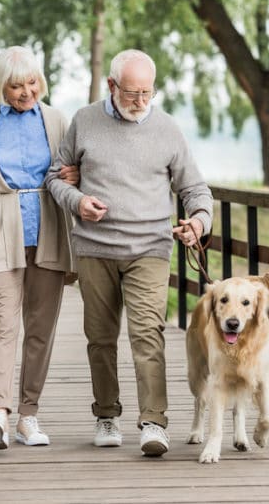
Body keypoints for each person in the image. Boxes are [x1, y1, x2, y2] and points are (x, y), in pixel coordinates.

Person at [45, 48, 213, 457]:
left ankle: (154, 422)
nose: (141, 102)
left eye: (148, 93)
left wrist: (199, 222)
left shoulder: (168, 129)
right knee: (100, 338)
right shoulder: (85, 121)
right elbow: (55, 177)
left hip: (149, 248)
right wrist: (77, 201)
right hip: (95, 248)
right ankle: (106, 414)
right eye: (132, 93)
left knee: (146, 334)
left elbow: (195, 190)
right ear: (112, 86)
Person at [0, 46, 77, 450]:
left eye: (31, 82)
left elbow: (71, 176)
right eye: (16, 85)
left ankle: (29, 415)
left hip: (48, 229)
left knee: (41, 329)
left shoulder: (58, 120)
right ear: (0, 87)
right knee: (4, 323)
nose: (26, 92)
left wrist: (75, 175)